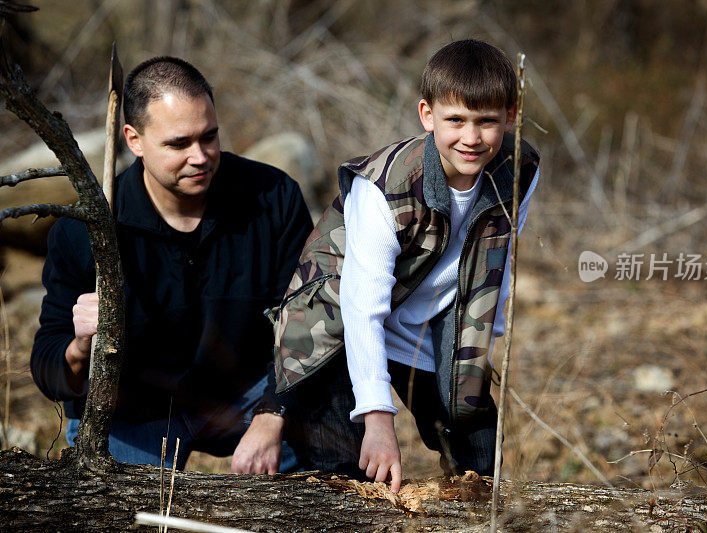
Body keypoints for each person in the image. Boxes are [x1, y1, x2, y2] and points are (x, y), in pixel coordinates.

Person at [238, 39, 540, 490]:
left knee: (481, 464)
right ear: (427, 115)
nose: (471, 138)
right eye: (455, 120)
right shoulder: (385, 186)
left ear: (510, 117)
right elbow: (363, 306)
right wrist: (378, 420)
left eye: (487, 122)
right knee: (350, 475)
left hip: (430, 322)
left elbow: (495, 257)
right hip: (340, 328)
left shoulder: (519, 169)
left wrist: (479, 351)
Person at [30, 56, 313, 473]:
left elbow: (307, 320)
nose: (200, 157)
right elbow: (47, 368)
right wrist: (80, 346)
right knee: (114, 508)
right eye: (179, 144)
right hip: (135, 413)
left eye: (210, 137)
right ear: (134, 139)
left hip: (247, 394)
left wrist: (274, 413)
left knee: (333, 439)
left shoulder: (273, 198)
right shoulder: (85, 230)